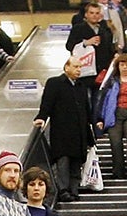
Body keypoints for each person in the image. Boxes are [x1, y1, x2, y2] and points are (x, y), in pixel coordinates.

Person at [35, 47, 95, 204]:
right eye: (75, 67)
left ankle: (74, 190)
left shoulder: (81, 87)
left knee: (77, 162)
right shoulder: (55, 83)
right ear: (66, 67)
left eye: (80, 67)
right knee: (63, 161)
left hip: (79, 132)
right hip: (62, 131)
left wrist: (91, 134)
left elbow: (87, 111)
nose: (78, 70)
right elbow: (46, 104)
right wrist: (41, 117)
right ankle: (63, 189)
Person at [65, 0, 116, 80]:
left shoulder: (106, 30)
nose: (94, 15)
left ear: (100, 15)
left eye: (97, 13)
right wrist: (85, 43)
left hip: (103, 72)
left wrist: (115, 55)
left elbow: (110, 48)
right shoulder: (77, 29)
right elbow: (69, 46)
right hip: (84, 72)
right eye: (91, 13)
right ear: (86, 14)